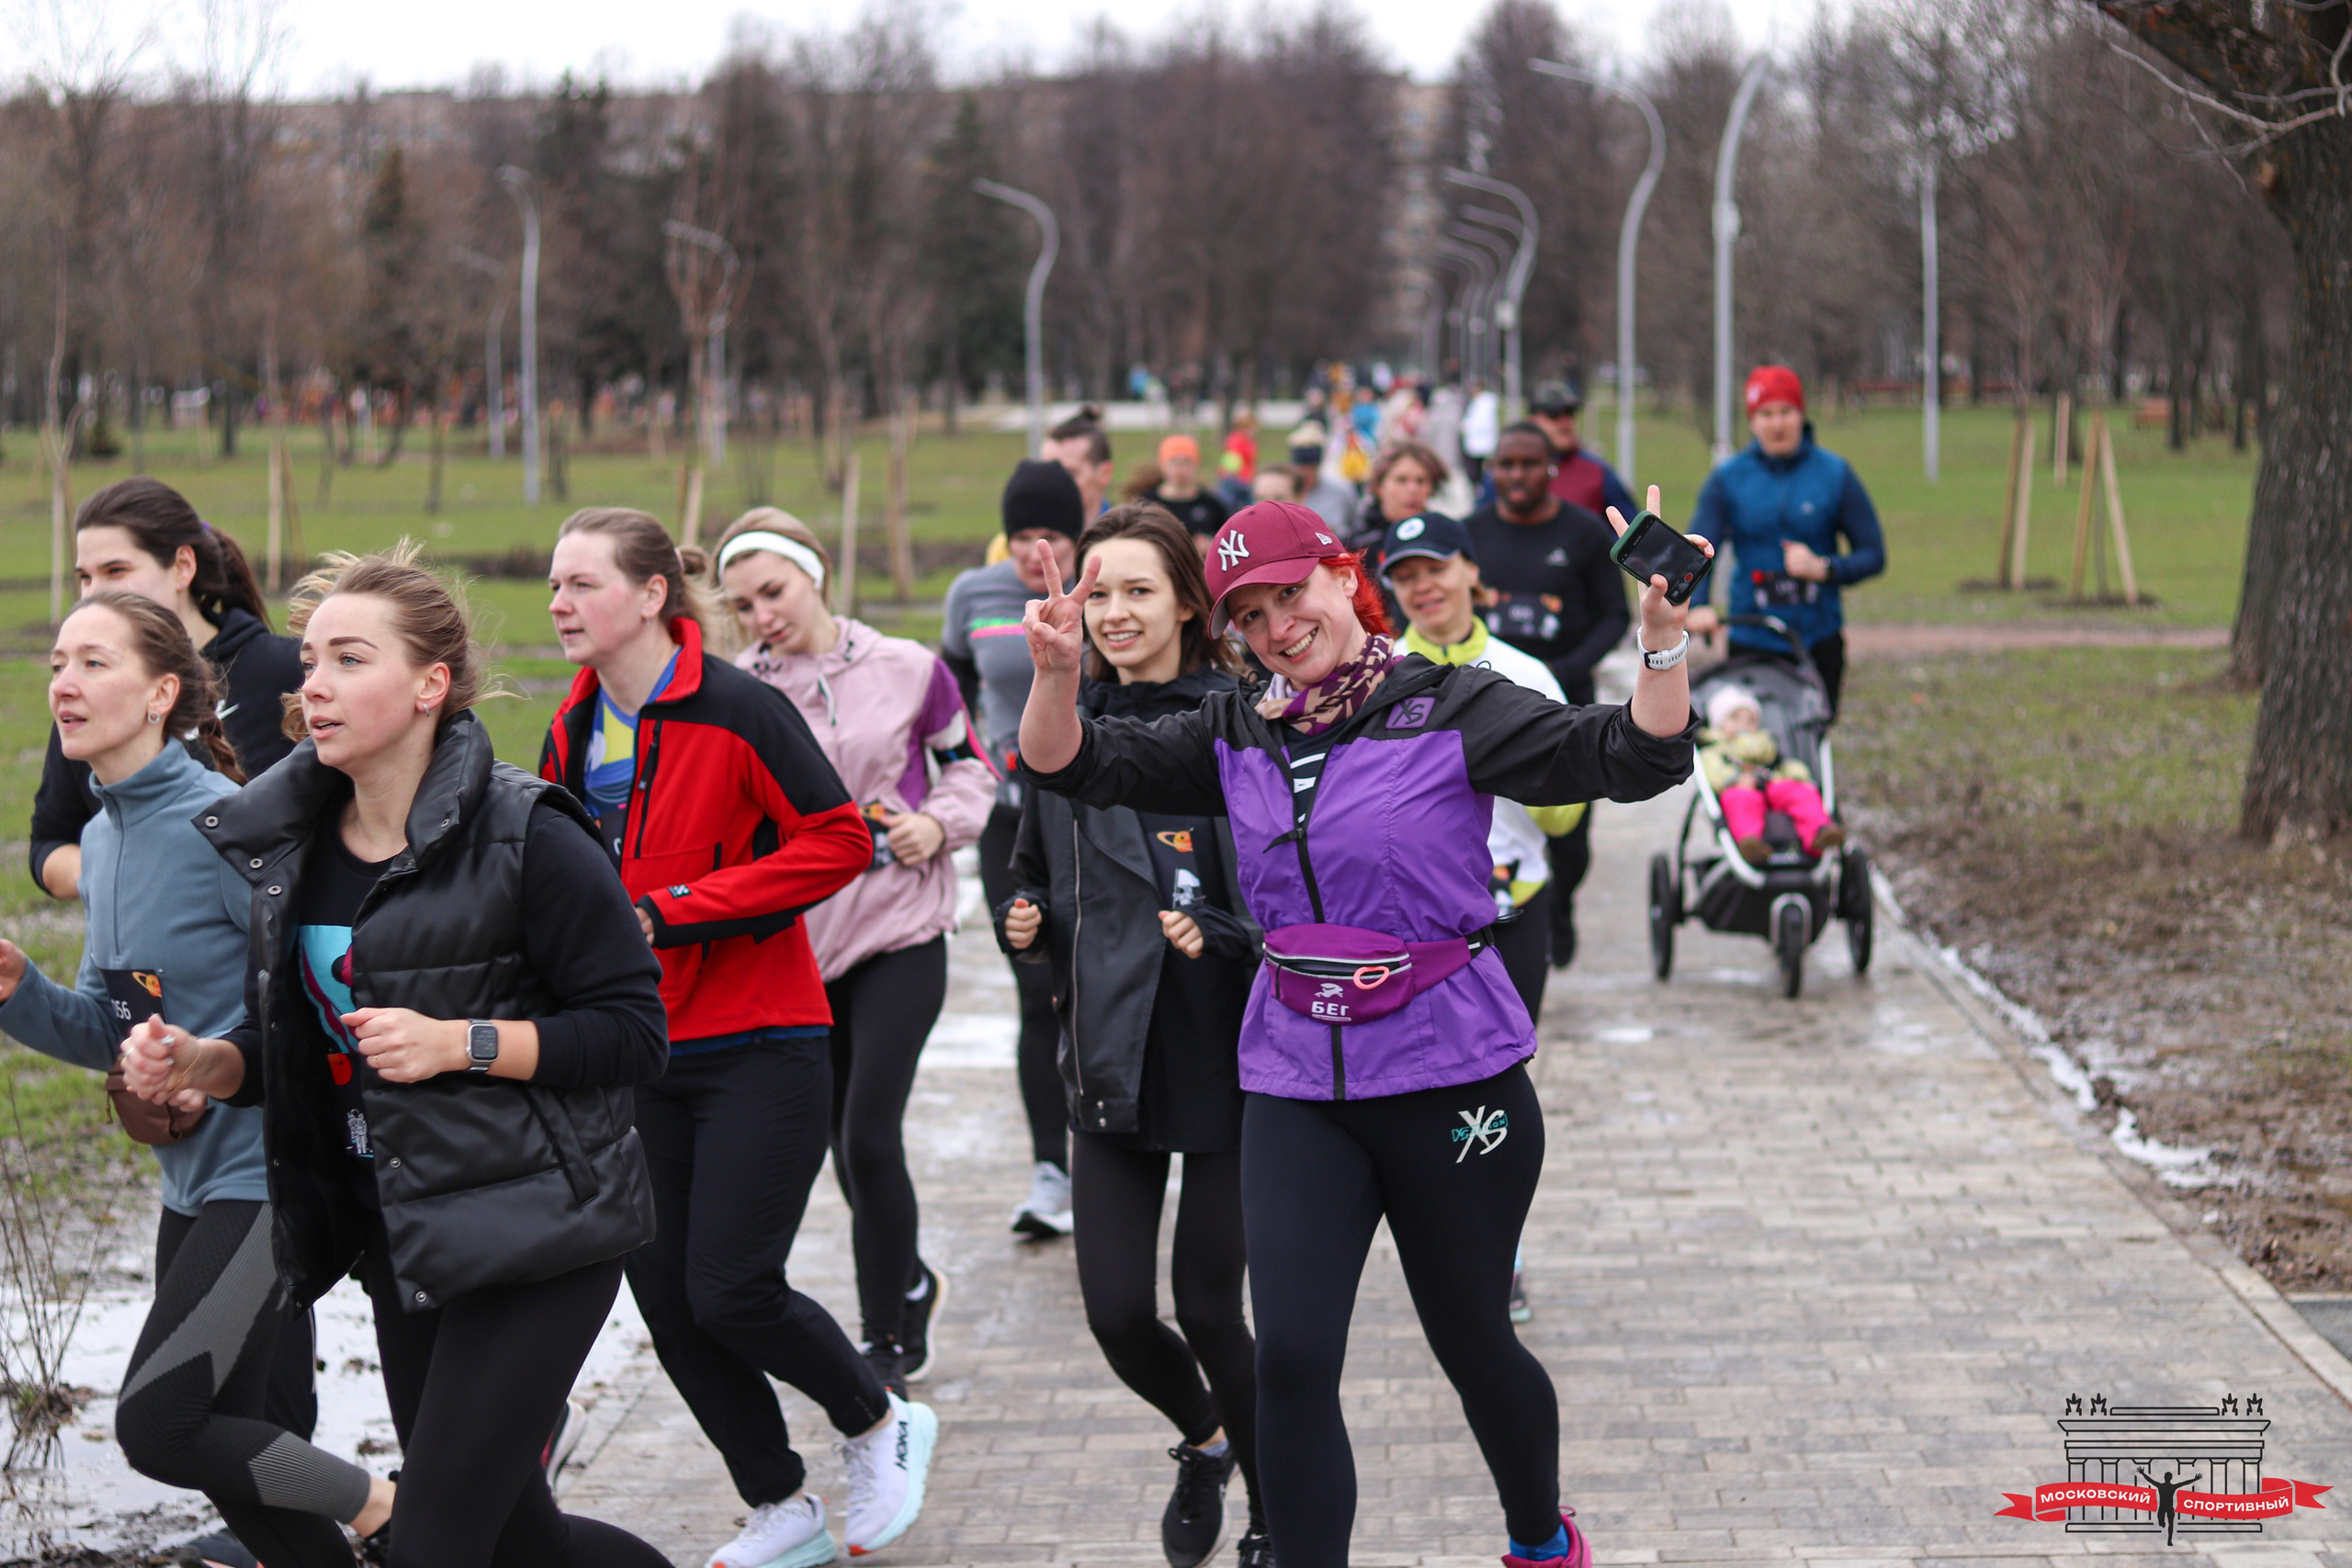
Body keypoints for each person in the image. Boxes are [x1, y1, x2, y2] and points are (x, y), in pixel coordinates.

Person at [1014, 495, 1705, 1568]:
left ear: (1343, 576)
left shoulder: (1448, 706)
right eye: (1250, 614)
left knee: (1472, 1342)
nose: (1279, 625)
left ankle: (1539, 1536)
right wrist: (1055, 674)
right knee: (1289, 1358)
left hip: (1448, 1080)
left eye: (1294, 592)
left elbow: (1628, 758)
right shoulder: (1232, 728)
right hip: (1296, 1083)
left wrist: (1659, 644)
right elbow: (1069, 767)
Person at [120, 544, 673, 1568]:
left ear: (429, 685)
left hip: (542, 1229)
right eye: (311, 661)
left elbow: (634, 1033)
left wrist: (458, 1043)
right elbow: (302, 1043)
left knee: (430, 1546)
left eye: (349, 660)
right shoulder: (290, 844)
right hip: (407, 1235)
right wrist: (208, 1063)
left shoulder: (527, 835)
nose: (312, 685)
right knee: (516, 1536)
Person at [539, 510, 937, 1567]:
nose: (559, 605)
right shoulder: (570, 732)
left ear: (649, 598)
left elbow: (839, 841)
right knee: (665, 1301)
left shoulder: (739, 707)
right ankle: (780, 1505)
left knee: (730, 1285)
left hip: (762, 1040)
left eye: (580, 585)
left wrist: (677, 909)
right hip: (641, 1051)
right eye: (554, 586)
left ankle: (877, 1419)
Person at [1, 594, 391, 1568]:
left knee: (162, 1423)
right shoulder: (102, 839)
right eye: (58, 662)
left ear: (161, 692)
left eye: (94, 663)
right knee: (232, 1453)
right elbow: (117, 1028)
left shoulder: (225, 827)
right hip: (194, 1184)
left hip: (268, 1176)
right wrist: (17, 991)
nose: (64, 683)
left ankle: (387, 1509)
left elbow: (310, 1003)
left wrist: (208, 1057)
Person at [992, 505, 1269, 1568]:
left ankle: (1273, 1511)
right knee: (1114, 1312)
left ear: (1192, 606)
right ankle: (1204, 1440)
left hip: (1231, 1057)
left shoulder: (1239, 721)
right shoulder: (1057, 720)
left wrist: (1224, 935)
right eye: (1097, 592)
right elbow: (1033, 868)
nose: (1113, 612)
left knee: (1210, 1305)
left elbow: (1288, 894)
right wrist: (1027, 922)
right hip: (1107, 1054)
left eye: (1138, 591)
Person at [716, 509, 995, 1395]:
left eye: (775, 591)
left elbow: (972, 767)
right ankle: (911, 1280)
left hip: (898, 925)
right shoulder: (738, 693)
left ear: (816, 575)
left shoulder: (911, 669)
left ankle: (884, 1343)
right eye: (743, 603)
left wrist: (935, 823)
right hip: (798, 943)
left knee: (870, 1131)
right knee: (834, 1139)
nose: (763, 614)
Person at [31, 478, 302, 900]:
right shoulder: (85, 694)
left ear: (182, 567)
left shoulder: (289, 670)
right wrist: (122, 863)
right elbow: (48, 845)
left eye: (116, 571)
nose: (94, 594)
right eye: (85, 577)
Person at [941, 462, 1085, 1236]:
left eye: (1055, 533)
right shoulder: (974, 593)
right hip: (1011, 817)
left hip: (1095, 815)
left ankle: (1110, 1155)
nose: (1040, 549)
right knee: (1036, 992)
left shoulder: (1099, 587)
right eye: (1027, 533)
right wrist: (975, 757)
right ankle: (1050, 1170)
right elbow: (951, 687)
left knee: (1097, 983)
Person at [1466, 423, 1631, 972]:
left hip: (1566, 702)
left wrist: (1558, 672)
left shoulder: (1584, 534)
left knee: (1571, 836)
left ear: (1551, 470)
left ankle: (1559, 903)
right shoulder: (1472, 534)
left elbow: (1615, 616)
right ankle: (1503, 923)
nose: (1516, 475)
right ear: (1492, 471)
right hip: (1485, 705)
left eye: (1528, 464)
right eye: (1505, 464)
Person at [1687, 366, 1886, 718]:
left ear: (1801, 414)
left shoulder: (1835, 474)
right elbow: (1699, 549)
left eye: (1785, 412)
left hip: (1817, 637)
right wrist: (1699, 603)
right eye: (1766, 414)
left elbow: (1873, 555)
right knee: (1750, 744)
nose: (1777, 424)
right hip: (1752, 636)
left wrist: (1825, 568)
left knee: (1812, 740)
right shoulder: (1728, 479)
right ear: (1751, 421)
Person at [1699, 687, 1842, 863]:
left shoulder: (1767, 747)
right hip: (1742, 788)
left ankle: (1819, 833)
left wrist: (1796, 775)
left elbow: (1784, 764)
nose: (1743, 725)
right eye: (1735, 719)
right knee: (1739, 799)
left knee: (1800, 792)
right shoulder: (1715, 749)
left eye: (1750, 721)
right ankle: (1750, 844)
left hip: (1773, 785)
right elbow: (1713, 773)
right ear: (1718, 723)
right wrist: (1734, 779)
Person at [1527, 383, 1637, 522]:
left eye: (1570, 414)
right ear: (1532, 422)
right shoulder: (1512, 472)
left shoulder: (1597, 471)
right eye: (1554, 415)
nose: (1565, 423)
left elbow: (1630, 530)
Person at [1148, 434, 1232, 540]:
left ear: (1196, 465)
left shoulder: (1212, 505)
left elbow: (1228, 542)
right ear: (1162, 465)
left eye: (1186, 462)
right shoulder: (1147, 503)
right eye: (1174, 462)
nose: (1180, 469)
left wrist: (1211, 546)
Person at [1044, 406, 1116, 517]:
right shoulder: (1030, 532)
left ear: (1105, 473)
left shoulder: (1125, 533)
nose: (1054, 483)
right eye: (1047, 473)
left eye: (1069, 473)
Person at [1284, 423, 1357, 534]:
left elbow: (1355, 526)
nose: (1307, 473)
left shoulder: (1341, 491)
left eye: (1312, 468)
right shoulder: (1283, 493)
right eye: (1302, 468)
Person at [1459, 380, 1499, 492]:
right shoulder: (1485, 403)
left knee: (1478, 470)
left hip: (1478, 443)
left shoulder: (1482, 404)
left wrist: (1465, 427)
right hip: (1484, 443)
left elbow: (1477, 423)